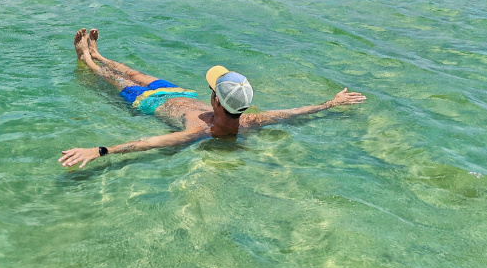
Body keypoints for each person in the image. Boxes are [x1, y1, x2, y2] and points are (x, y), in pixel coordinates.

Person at [59, 28, 367, 168]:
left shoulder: (199, 132)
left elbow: (148, 143)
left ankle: (87, 60)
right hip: (177, 92)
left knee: (114, 79)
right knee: (134, 72)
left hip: (150, 103)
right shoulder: (252, 120)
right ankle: (100, 54)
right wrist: (330, 103)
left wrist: (100, 151)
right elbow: (294, 112)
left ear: (217, 101)